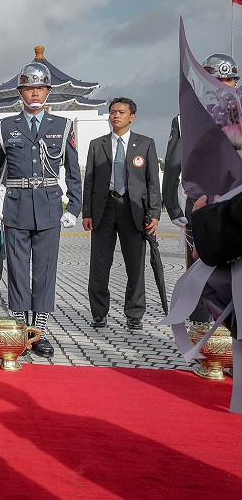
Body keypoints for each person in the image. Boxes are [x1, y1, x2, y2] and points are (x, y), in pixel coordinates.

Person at [0, 61, 82, 357]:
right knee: (17, 270)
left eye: (40, 88)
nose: (34, 93)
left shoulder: (62, 126)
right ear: (20, 92)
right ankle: (20, 331)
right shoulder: (5, 126)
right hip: (15, 206)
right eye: (29, 88)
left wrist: (74, 206)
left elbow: (74, 171)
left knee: (45, 272)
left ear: (48, 91)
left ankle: (39, 333)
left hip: (50, 206)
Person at [162, 53, 239, 324]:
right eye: (218, 79)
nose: (224, 85)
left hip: (237, 203)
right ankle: (202, 333)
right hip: (201, 203)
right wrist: (172, 205)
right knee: (201, 265)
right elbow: (173, 164)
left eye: (229, 79)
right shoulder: (186, 118)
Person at [82, 97, 160, 330]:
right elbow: (90, 181)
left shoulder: (145, 144)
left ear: (132, 117)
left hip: (133, 210)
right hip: (103, 208)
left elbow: (152, 181)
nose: (116, 115)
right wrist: (87, 212)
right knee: (99, 264)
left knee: (135, 264)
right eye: (113, 112)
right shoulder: (98, 144)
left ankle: (134, 314)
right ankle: (98, 313)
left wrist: (155, 212)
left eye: (121, 112)